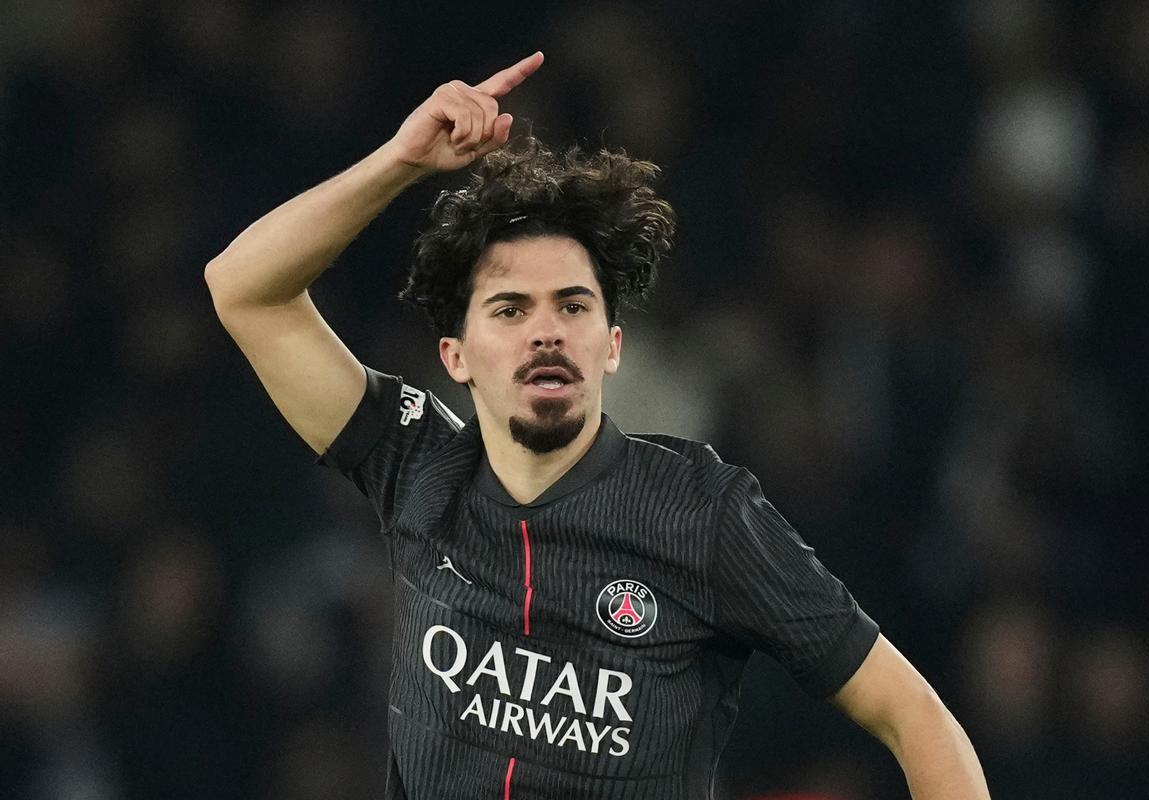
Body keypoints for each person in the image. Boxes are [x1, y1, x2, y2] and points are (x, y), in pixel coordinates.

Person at [205, 51, 990, 800]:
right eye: (510, 310)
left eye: (573, 306)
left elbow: (914, 716)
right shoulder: (415, 466)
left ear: (611, 346)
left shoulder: (702, 513)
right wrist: (400, 163)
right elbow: (243, 288)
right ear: (456, 355)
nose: (546, 331)